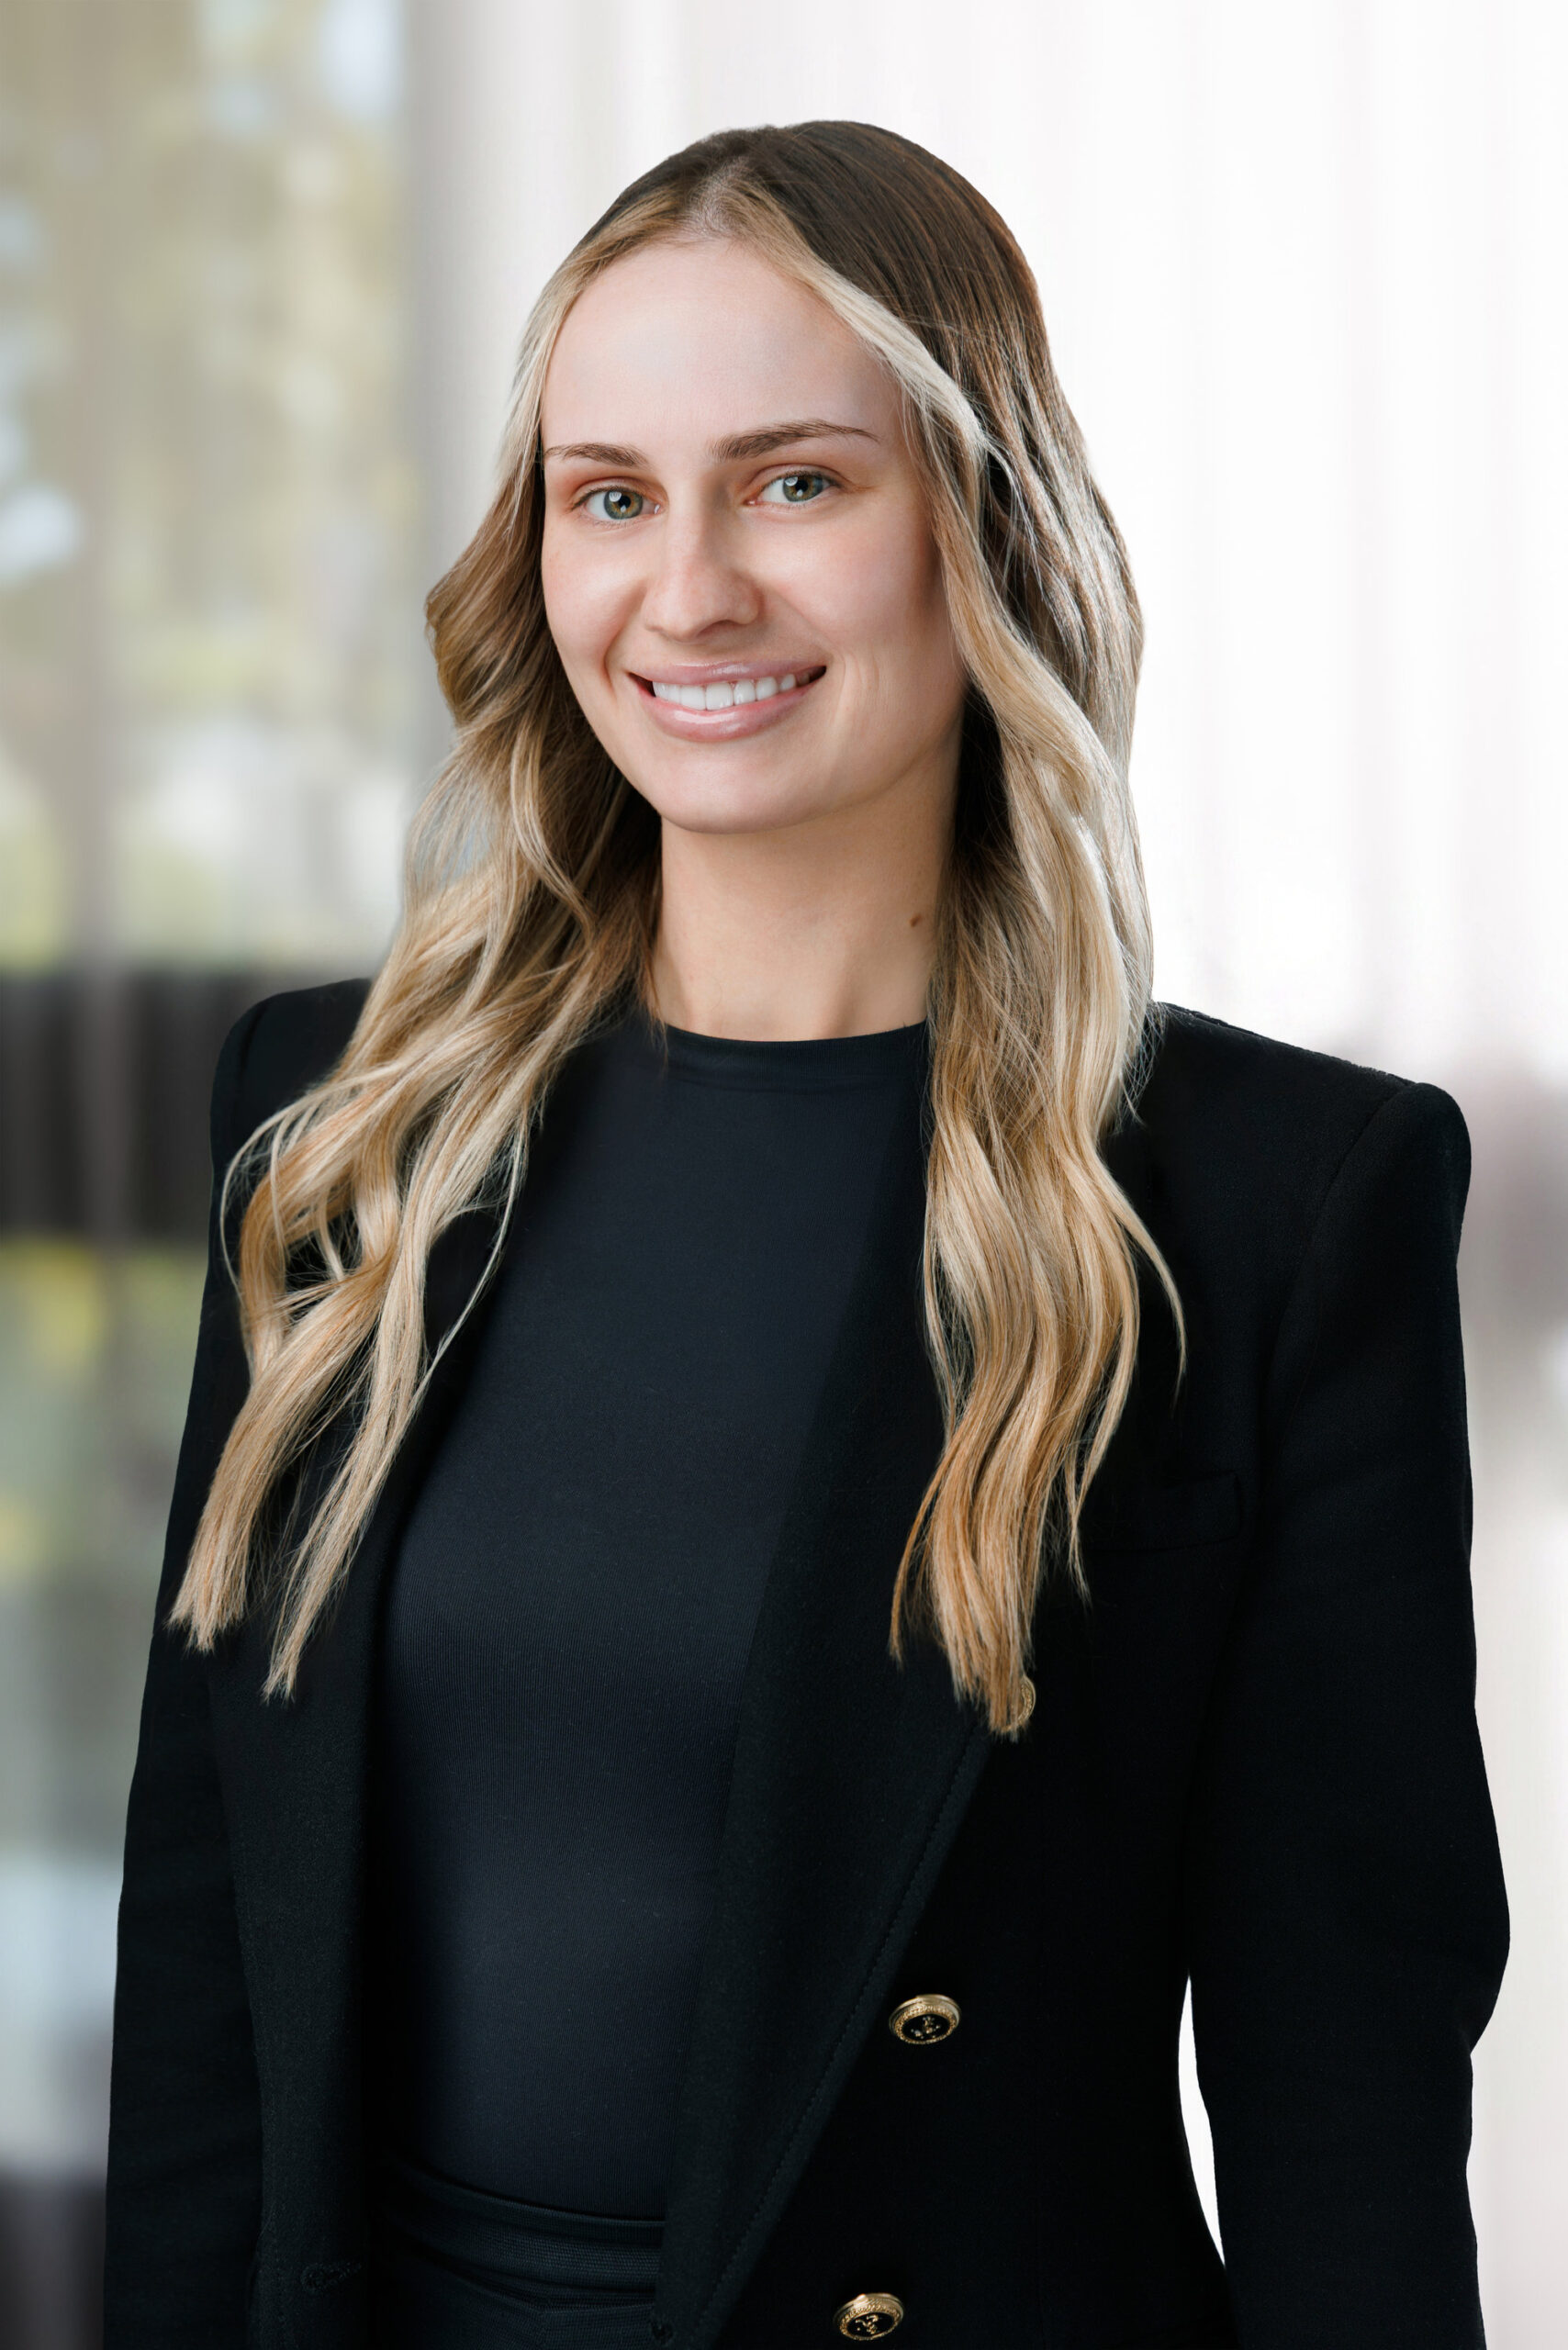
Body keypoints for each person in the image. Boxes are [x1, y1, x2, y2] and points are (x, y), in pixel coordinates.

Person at [103, 122, 1507, 2350]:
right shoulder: (336, 1123)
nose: (688, 594)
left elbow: (1341, 2084)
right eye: (611, 494)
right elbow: (207, 1955)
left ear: (984, 521)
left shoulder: (1264, 1204)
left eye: (794, 481)